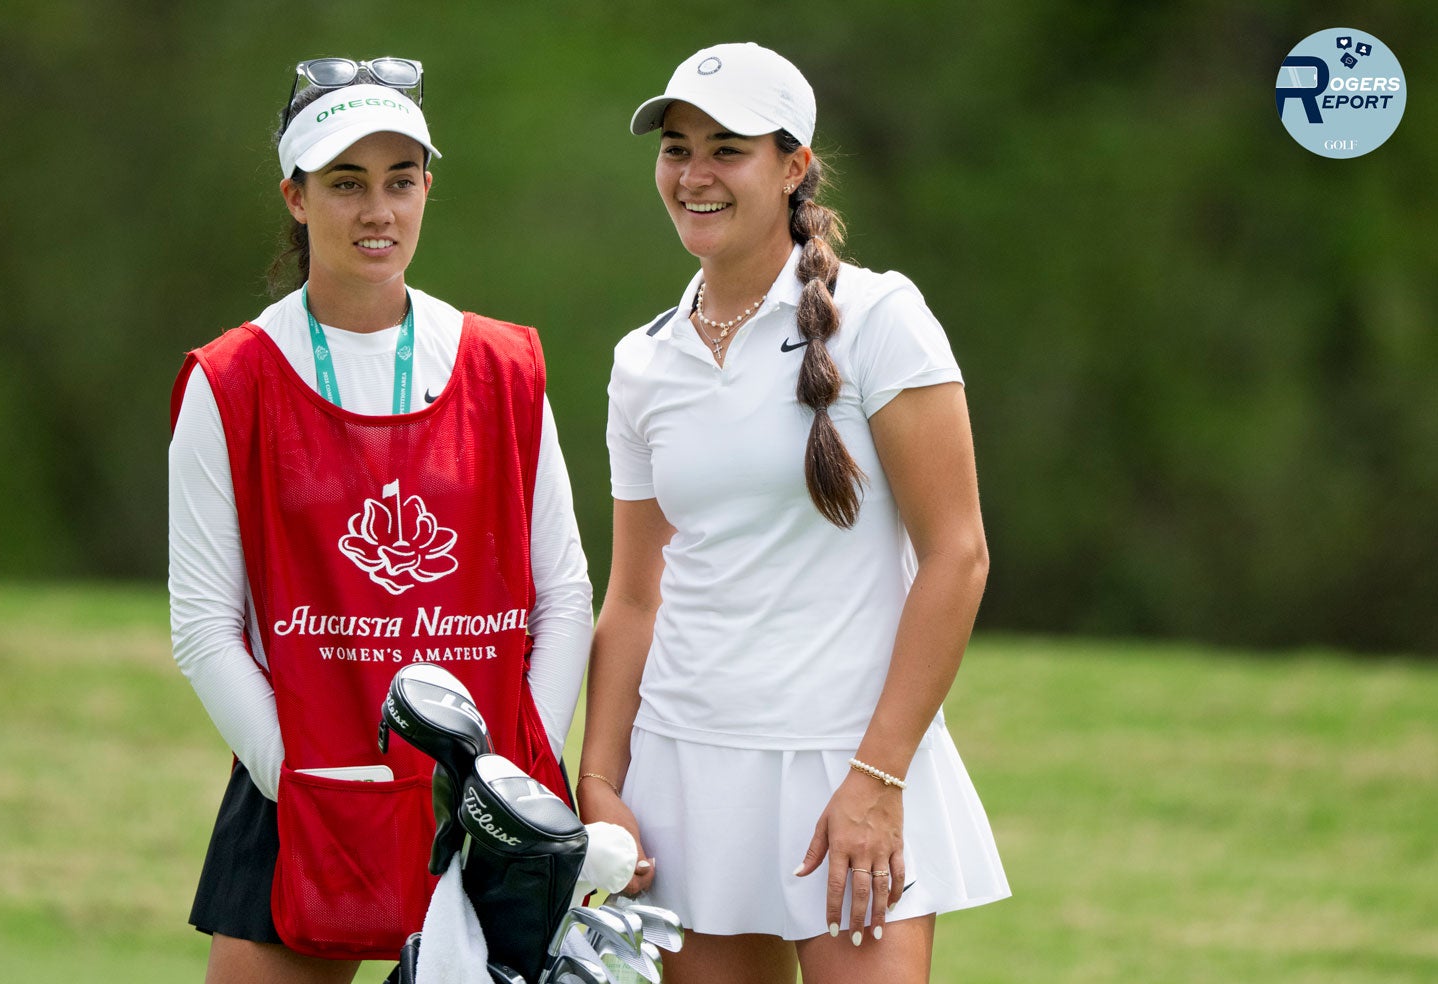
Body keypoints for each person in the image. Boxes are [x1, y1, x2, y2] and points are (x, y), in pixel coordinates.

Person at [578, 43, 1010, 983]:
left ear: (793, 166)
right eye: (677, 149)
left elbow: (958, 555)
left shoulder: (882, 318)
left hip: (851, 763)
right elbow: (636, 596)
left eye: (727, 150)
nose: (694, 175)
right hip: (685, 769)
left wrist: (879, 776)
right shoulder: (642, 361)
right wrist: (600, 782)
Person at [168, 57, 593, 984]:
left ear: (428, 188)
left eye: (401, 181)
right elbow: (203, 626)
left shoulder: (502, 367)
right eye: (345, 183)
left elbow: (562, 592)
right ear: (295, 196)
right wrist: (307, 782)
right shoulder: (232, 380)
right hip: (301, 787)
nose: (378, 210)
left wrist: (515, 782)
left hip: (484, 800)